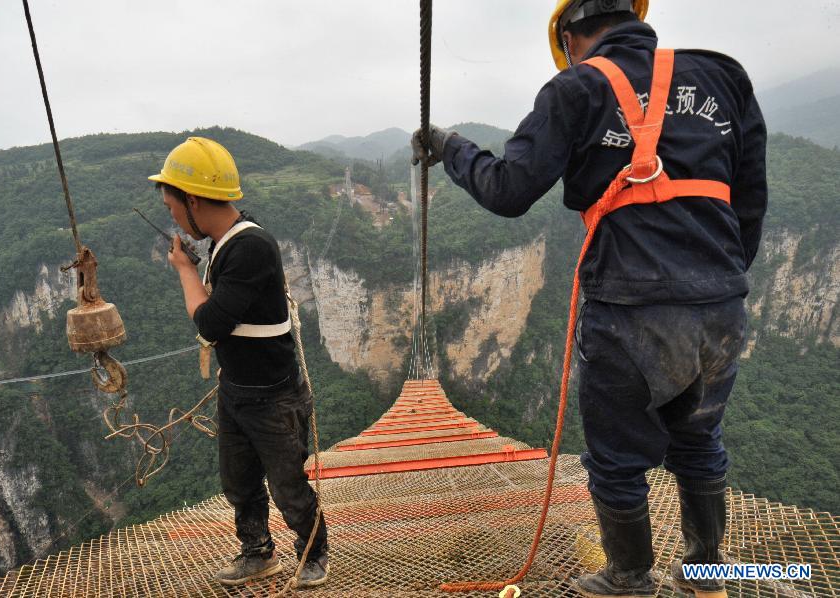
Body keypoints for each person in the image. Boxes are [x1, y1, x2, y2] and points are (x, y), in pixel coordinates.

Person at [412, 1, 766, 596]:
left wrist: (450, 147)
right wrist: (715, 281)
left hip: (630, 311)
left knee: (616, 460)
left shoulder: (575, 87)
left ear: (571, 35)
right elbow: (749, 199)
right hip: (721, 306)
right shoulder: (723, 75)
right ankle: (707, 577)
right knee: (699, 441)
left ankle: (628, 578)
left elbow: (508, 189)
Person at [149, 136, 329, 588]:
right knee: (240, 480)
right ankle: (257, 552)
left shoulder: (249, 247)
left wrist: (186, 272)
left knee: (287, 484)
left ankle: (313, 553)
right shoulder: (224, 244)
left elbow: (210, 323)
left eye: (172, 206)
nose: (172, 216)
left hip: (272, 395)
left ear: (192, 200)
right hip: (239, 389)